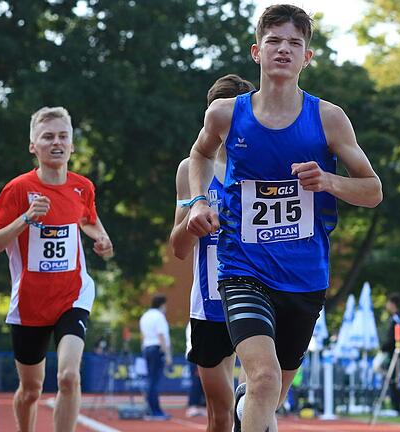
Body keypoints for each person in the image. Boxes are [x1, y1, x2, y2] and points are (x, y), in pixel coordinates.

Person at [187, 5, 382, 431]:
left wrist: (330, 181)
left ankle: (249, 412)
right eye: (274, 41)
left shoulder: (328, 119)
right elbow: (199, 154)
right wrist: (198, 201)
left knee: (269, 396)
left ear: (307, 58)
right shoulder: (225, 114)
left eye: (295, 43)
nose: (284, 50)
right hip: (243, 271)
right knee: (264, 377)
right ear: (257, 51)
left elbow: (372, 190)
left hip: (305, 276)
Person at [0, 106, 113, 432]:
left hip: (72, 294)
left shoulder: (82, 186)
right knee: (30, 391)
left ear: (71, 145)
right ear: (33, 146)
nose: (56, 142)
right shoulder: (17, 190)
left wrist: (102, 238)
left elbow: (87, 218)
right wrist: (26, 219)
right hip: (29, 304)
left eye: (63, 136)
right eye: (48, 136)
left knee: (69, 376)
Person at [169, 73, 255, 431]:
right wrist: (193, 222)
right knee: (219, 412)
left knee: (257, 398)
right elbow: (177, 249)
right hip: (208, 303)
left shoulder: (261, 164)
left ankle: (247, 405)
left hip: (256, 293)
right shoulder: (192, 170)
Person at [139, 294, 172, 420]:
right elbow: (161, 336)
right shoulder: (159, 317)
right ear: (162, 304)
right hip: (156, 349)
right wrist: (167, 354)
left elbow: (143, 335)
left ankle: (150, 409)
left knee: (150, 380)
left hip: (147, 348)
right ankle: (155, 410)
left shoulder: (145, 316)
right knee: (154, 381)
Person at [380, 293, 400, 415]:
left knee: (393, 381)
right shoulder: (397, 318)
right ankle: (398, 404)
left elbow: (394, 338)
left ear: (392, 304)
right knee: (392, 380)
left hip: (395, 353)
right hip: (393, 352)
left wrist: (383, 348)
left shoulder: (397, 319)